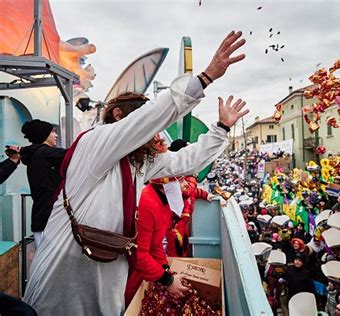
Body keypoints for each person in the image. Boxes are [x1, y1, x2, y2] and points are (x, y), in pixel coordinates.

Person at [24, 30, 248, 315]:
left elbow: (186, 161)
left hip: (105, 275)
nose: (153, 132)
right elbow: (147, 119)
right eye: (143, 121)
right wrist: (204, 78)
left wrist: (222, 129)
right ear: (119, 116)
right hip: (64, 275)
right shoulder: (96, 142)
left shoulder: (137, 162)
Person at [124, 177, 190, 307]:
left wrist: (165, 269)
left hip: (142, 265)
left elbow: (156, 243)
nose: (186, 184)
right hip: (130, 270)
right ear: (166, 184)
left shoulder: (162, 201)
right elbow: (138, 255)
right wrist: (167, 281)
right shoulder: (148, 203)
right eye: (181, 181)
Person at [20, 120, 67, 249]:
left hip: (40, 218)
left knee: (42, 262)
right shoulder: (45, 153)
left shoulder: (35, 154)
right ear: (43, 135)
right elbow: (73, 154)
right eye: (52, 131)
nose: (56, 135)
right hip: (49, 219)